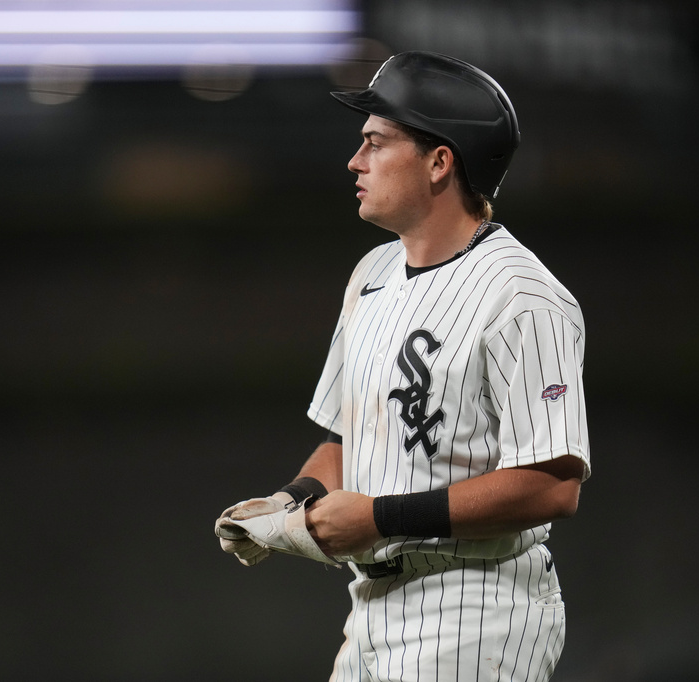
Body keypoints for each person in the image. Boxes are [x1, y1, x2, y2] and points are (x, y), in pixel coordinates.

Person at [215, 51, 590, 681]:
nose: (354, 162)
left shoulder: (522, 297)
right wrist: (290, 504)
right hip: (372, 610)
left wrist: (380, 518)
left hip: (478, 608)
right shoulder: (372, 274)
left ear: (440, 161)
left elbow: (553, 484)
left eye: (376, 142)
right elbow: (345, 439)